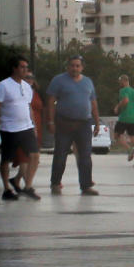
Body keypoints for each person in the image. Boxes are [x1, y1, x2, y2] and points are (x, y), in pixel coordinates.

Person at [47, 55, 100, 196]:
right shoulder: (58, 80)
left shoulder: (88, 82)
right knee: (60, 155)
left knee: (85, 157)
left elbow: (93, 103)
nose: (75, 68)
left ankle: (86, 185)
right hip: (64, 123)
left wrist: (97, 122)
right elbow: (51, 101)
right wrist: (50, 121)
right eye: (72, 65)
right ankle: (55, 183)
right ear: (67, 66)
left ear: (82, 67)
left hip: (84, 124)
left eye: (77, 66)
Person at [0, 56, 40, 200]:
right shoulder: (4, 85)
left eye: (26, 67)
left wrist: (34, 126)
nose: (25, 70)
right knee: (6, 159)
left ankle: (28, 186)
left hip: (26, 127)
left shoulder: (26, 86)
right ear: (15, 68)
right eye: (22, 67)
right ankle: (6, 188)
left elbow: (28, 106)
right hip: (10, 128)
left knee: (35, 155)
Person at [113, 74, 134, 167]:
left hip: (124, 117)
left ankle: (129, 149)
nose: (119, 83)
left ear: (124, 81)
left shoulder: (123, 90)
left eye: (120, 82)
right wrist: (133, 109)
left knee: (116, 135)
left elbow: (125, 100)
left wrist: (117, 106)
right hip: (133, 118)